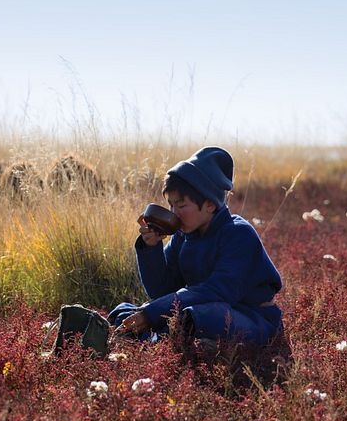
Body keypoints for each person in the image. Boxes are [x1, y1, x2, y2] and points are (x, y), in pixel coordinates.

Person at [108, 146, 284, 349]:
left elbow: (218, 291)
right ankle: (156, 341)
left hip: (250, 318)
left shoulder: (239, 234)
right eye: (171, 205)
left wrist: (152, 313)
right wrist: (151, 248)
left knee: (199, 317)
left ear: (210, 204)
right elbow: (161, 291)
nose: (174, 213)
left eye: (181, 205)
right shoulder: (183, 235)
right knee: (125, 312)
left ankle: (153, 341)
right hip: (200, 309)